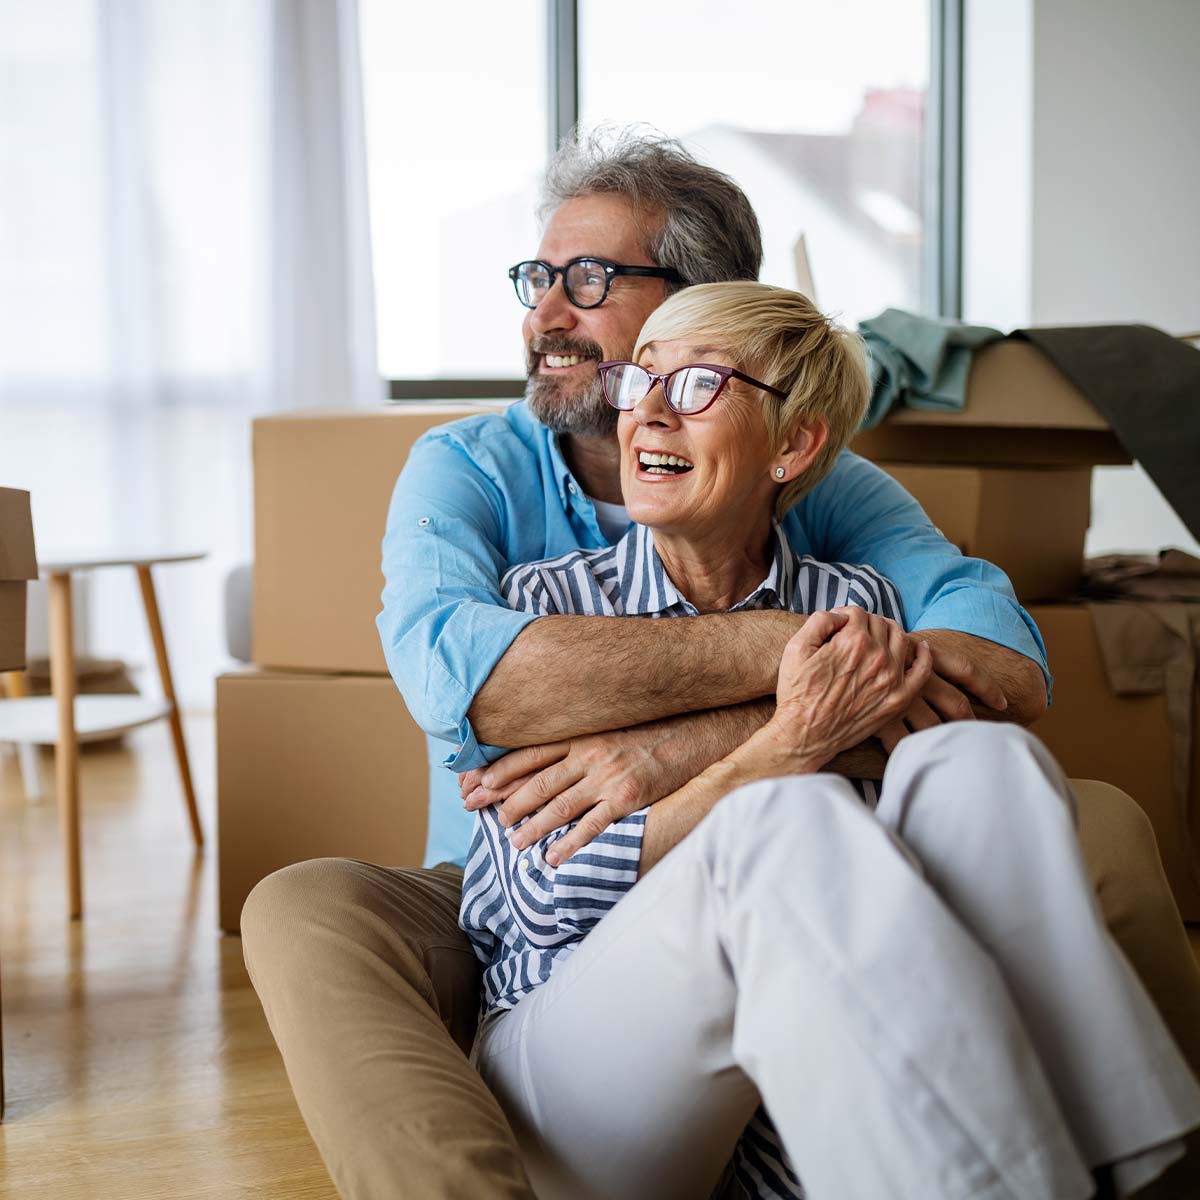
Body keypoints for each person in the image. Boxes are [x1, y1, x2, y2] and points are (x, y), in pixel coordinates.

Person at [241, 129, 1200, 1199]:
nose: (545, 316)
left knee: (1038, 795)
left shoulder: (835, 495)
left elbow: (997, 672)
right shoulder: (472, 473)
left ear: (707, 307)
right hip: (503, 896)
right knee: (303, 907)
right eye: (538, 278)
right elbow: (471, 688)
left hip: (804, 868)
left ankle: (1132, 1168)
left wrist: (703, 742)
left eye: (590, 281)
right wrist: (801, 672)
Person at [461, 281, 1200, 1200]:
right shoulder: (545, 611)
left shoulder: (866, 608)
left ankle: (1130, 1171)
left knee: (980, 759)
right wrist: (779, 751)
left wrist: (683, 753)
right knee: (788, 817)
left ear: (796, 445)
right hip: (576, 1071)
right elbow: (533, 902)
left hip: (821, 1082)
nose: (646, 412)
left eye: (696, 386)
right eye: (638, 380)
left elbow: (988, 706)